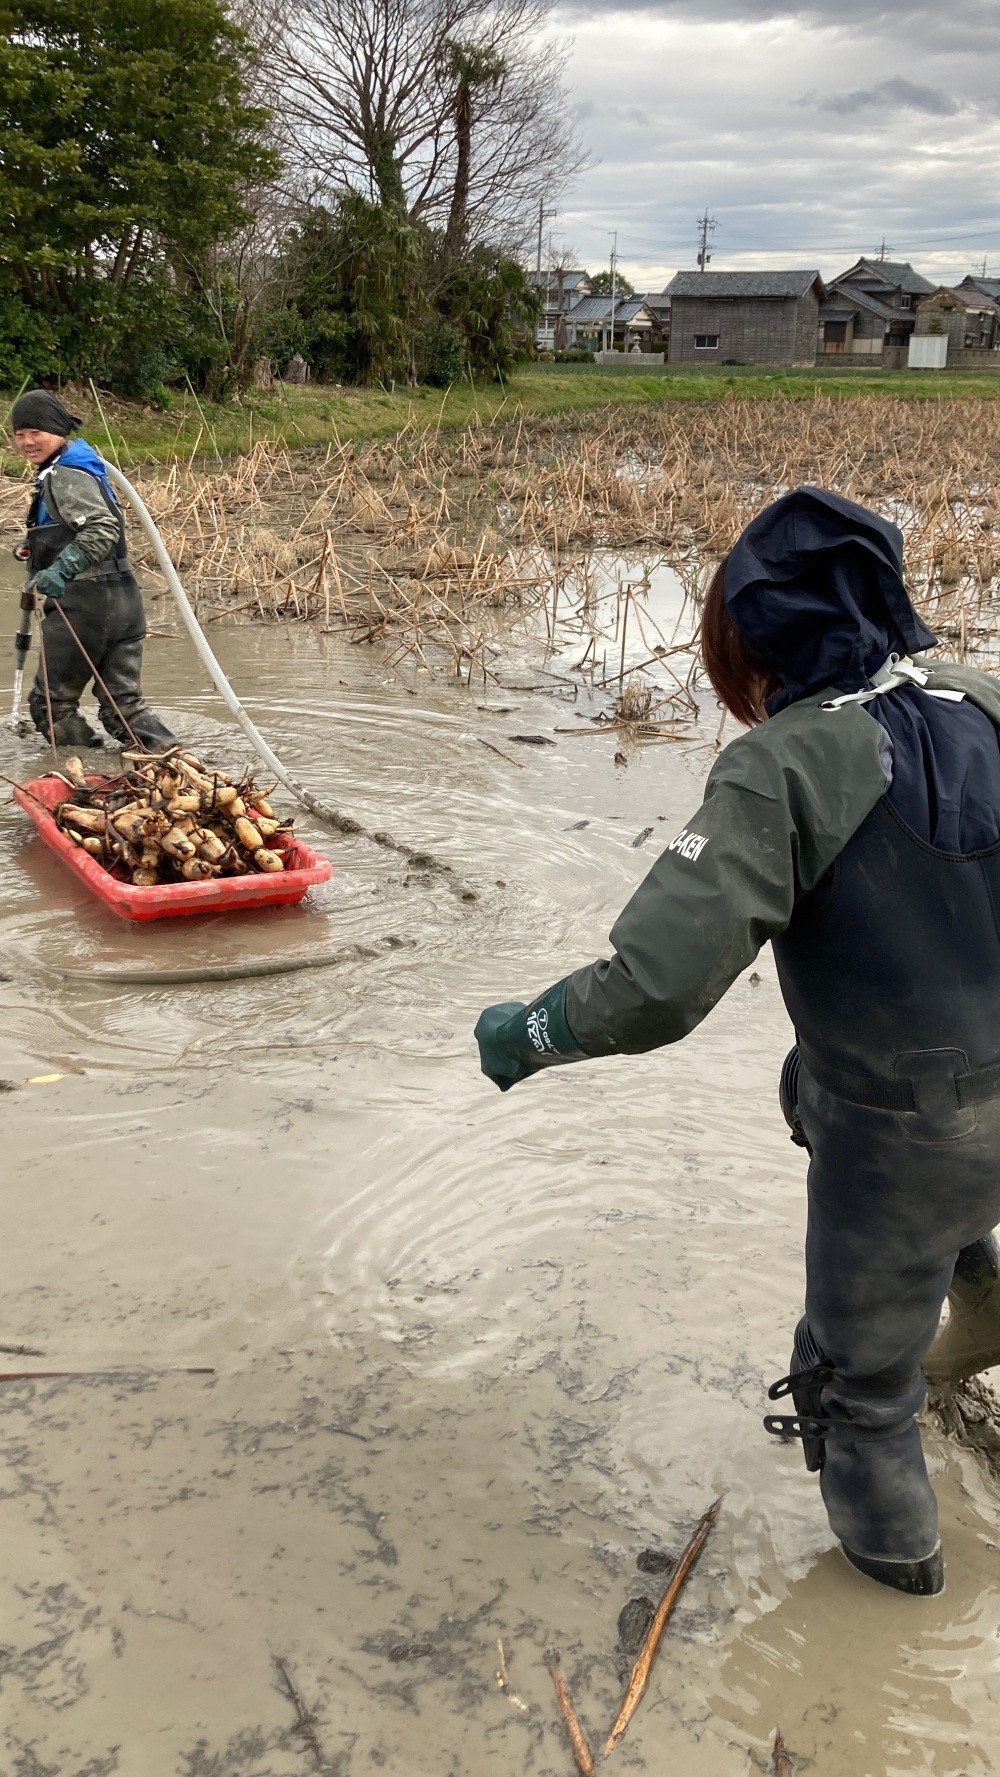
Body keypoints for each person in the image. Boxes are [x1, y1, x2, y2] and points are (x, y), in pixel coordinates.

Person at [474, 485, 1000, 1598]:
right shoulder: (982, 701)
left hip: (908, 1137)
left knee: (859, 1392)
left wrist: (526, 1030)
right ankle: (980, 1318)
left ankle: (885, 1618)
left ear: (755, 644)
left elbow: (657, 986)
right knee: (917, 1172)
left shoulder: (789, 764)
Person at [11, 389, 176, 750]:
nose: (27, 442)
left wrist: (61, 569)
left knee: (50, 706)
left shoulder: (64, 474)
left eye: (35, 432)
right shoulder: (79, 464)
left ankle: (84, 774)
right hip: (124, 601)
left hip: (85, 606)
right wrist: (38, 547)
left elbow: (101, 527)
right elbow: (77, 525)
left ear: (56, 429)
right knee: (123, 706)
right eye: (19, 434)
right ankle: (171, 760)